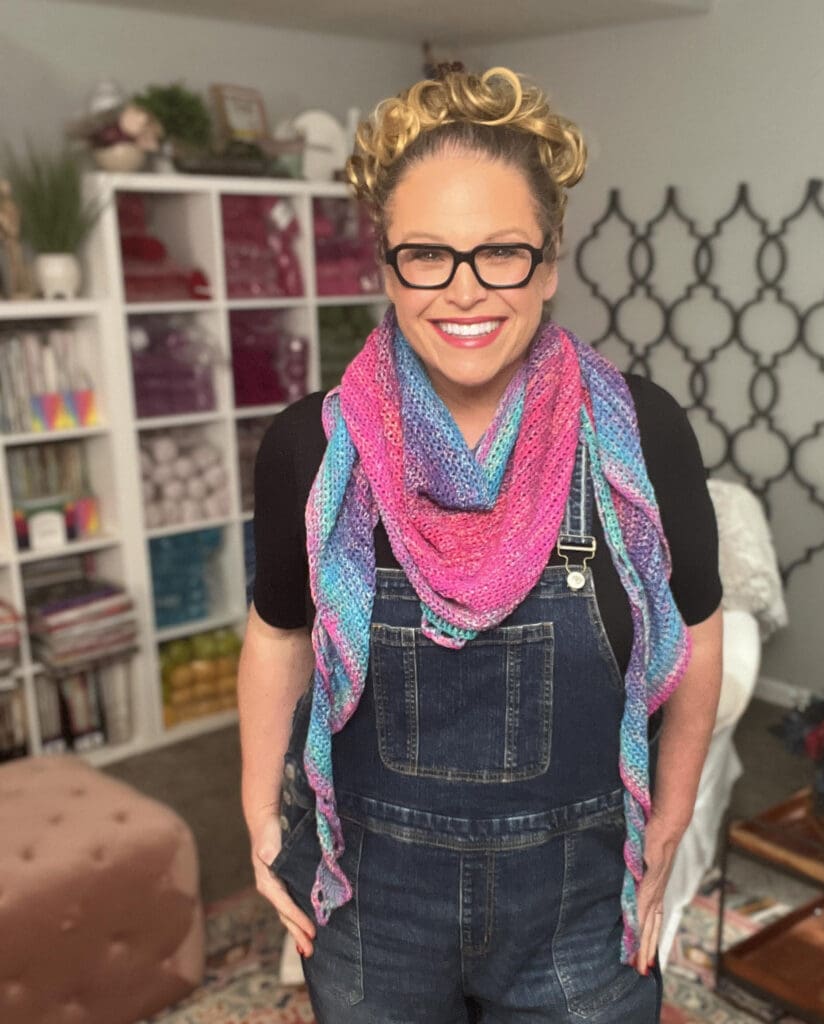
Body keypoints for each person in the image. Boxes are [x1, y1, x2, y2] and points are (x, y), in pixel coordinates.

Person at [240, 65, 723, 1023]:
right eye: (427, 254)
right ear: (385, 266)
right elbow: (276, 635)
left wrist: (669, 823)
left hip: (583, 903)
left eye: (501, 252)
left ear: (549, 262)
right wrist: (260, 817)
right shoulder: (311, 445)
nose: (464, 292)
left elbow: (697, 633)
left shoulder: (641, 436)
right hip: (375, 903)